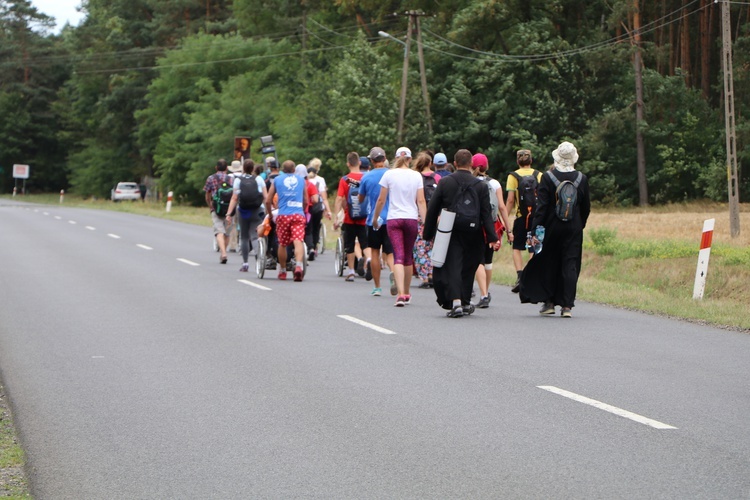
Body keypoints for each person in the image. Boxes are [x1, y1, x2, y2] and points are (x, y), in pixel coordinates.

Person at [422, 149, 498, 318]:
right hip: (474, 230)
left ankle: (456, 302)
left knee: (453, 264)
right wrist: (492, 237)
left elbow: (433, 209)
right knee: (468, 266)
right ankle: (464, 301)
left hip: (451, 229)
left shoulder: (445, 182)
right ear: (471, 164)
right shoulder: (481, 185)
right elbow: (486, 213)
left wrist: (427, 233)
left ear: (455, 163)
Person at [519, 141, 591, 317]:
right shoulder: (582, 178)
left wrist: (535, 230)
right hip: (573, 227)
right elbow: (586, 207)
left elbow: (541, 207)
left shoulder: (548, 177)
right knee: (570, 264)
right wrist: (579, 224)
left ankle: (549, 302)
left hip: (551, 226)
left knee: (549, 262)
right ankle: (567, 306)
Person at [372, 147, 427, 307]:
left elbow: (381, 200)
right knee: (408, 257)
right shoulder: (416, 175)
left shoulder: (389, 174)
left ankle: (401, 294)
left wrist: (376, 218)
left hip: (394, 219)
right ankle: (407, 293)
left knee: (398, 256)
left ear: (395, 158)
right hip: (411, 218)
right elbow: (421, 201)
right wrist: (425, 221)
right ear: (410, 160)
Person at [471, 153, 513, 308]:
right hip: (492, 225)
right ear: (486, 166)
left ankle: (482, 294)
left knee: (478, 260)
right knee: (488, 261)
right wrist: (509, 229)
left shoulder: (471, 182)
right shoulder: (494, 183)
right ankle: (486, 292)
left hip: (475, 225)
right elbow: (502, 207)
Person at [358, 146, 394, 297]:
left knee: (374, 253)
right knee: (390, 253)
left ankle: (377, 287)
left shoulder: (366, 177)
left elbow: (360, 199)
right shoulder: (392, 174)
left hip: (373, 219)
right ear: (384, 159)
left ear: (372, 161)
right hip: (391, 217)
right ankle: (393, 273)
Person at [506, 149, 543, 293]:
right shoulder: (539, 175)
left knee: (517, 247)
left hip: (521, 217)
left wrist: (505, 218)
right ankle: (532, 276)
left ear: (518, 161)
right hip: (536, 217)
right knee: (533, 246)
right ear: (531, 161)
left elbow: (510, 200)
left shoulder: (513, 176)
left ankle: (520, 276)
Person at [265, 160, 309, 281]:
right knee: (298, 240)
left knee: (282, 244)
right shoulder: (302, 180)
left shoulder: (277, 180)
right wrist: (302, 211)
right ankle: (299, 266)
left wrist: (269, 214)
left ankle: (283, 271)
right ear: (294, 170)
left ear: (282, 170)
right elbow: (306, 200)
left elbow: (268, 200)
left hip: (283, 215)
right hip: (298, 214)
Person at [333, 152, 370, 282]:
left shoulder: (345, 180)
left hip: (350, 217)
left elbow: (339, 198)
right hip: (364, 217)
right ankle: (369, 260)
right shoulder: (367, 178)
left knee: (349, 244)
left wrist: (337, 216)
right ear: (359, 163)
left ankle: (351, 271)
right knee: (365, 244)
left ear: (348, 164)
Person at [226, 159, 267, 272]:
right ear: (253, 168)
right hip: (257, 210)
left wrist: (229, 213)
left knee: (244, 237)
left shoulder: (238, 180)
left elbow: (234, 198)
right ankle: (260, 258)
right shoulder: (259, 179)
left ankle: (245, 263)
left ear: (243, 168)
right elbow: (265, 196)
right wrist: (268, 211)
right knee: (255, 236)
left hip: (243, 211)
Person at [412, 152, 441, 289]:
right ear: (430, 163)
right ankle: (434, 274)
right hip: (436, 216)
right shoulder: (437, 178)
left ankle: (425, 277)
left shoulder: (416, 178)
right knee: (434, 246)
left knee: (420, 247)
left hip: (419, 216)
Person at [203, 158, 233, 264]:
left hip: (217, 208)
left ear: (216, 168)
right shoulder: (231, 179)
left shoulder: (211, 178)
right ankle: (224, 251)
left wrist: (210, 206)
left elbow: (207, 195)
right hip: (229, 208)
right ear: (227, 168)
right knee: (227, 233)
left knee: (219, 231)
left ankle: (223, 253)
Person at [307, 158, 332, 257]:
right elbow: (324, 198)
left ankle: (310, 247)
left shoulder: (305, 181)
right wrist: (328, 210)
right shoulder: (320, 180)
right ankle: (315, 245)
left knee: (308, 228)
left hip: (307, 207)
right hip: (318, 208)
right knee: (316, 227)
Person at [296, 164, 320, 259]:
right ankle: (310, 248)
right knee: (308, 230)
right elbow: (316, 199)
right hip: (307, 211)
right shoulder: (310, 184)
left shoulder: (295, 184)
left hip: (295, 210)